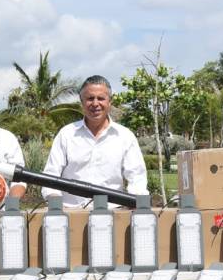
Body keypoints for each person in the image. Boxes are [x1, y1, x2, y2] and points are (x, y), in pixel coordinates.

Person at [41, 75, 148, 208]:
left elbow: (137, 178)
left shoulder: (125, 136)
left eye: (101, 98)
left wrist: (135, 204)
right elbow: (50, 177)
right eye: (90, 98)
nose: (95, 104)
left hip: (113, 214)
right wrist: (55, 203)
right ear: (81, 102)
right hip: (71, 214)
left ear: (110, 101)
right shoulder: (66, 134)